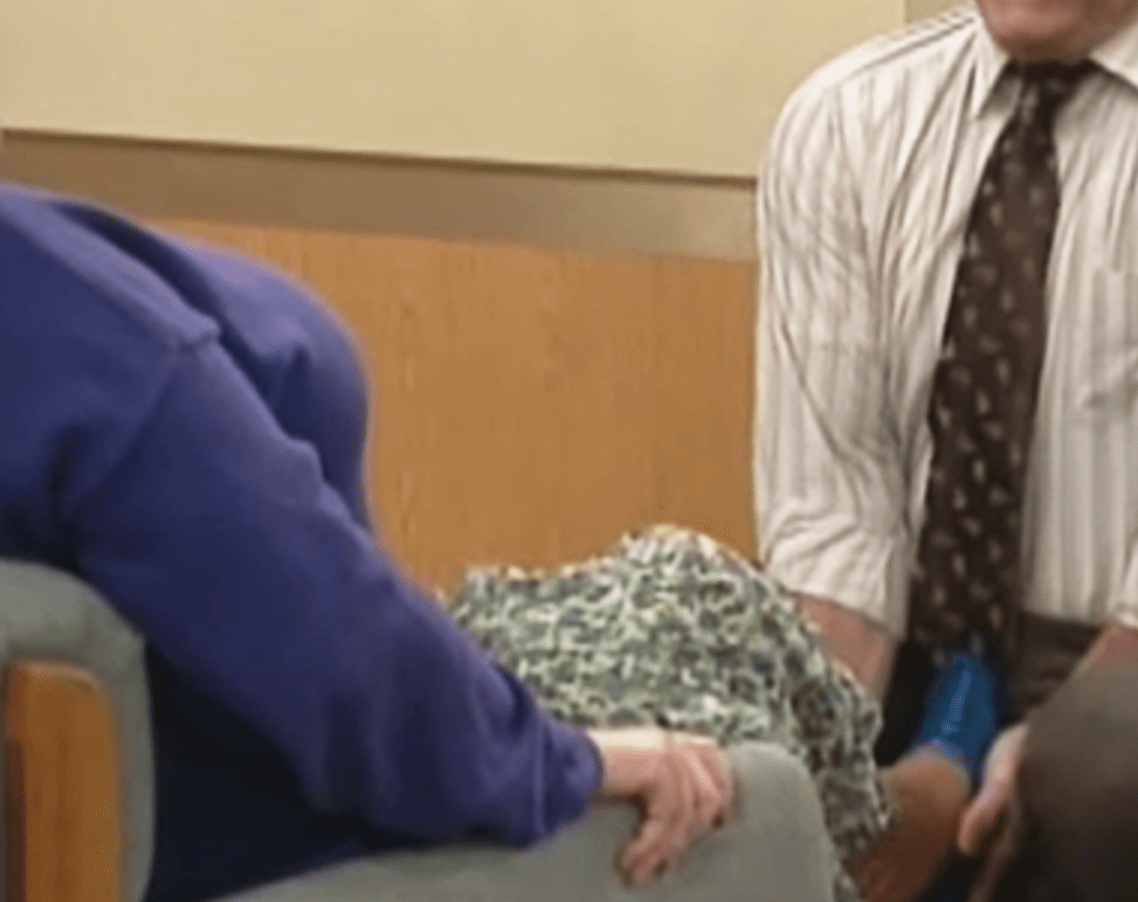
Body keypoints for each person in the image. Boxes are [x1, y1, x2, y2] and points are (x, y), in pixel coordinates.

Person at [0, 182, 734, 902]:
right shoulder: (72, 329)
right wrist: (563, 762)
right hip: (330, 783)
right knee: (717, 658)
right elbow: (314, 629)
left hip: (383, 695)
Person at [755, 0, 1138, 902]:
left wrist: (1042, 737)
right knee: (721, 753)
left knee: (1094, 773)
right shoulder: (846, 123)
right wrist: (826, 764)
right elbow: (832, 502)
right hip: (909, 629)